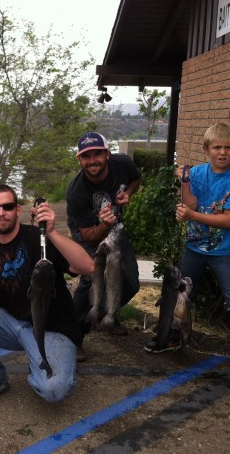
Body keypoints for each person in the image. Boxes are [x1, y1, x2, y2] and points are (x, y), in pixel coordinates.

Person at [147, 122, 230, 393]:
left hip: (225, 253)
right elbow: (189, 203)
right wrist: (185, 182)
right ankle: (173, 337)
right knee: (180, 296)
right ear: (207, 149)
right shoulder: (197, 173)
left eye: (228, 147)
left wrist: (190, 216)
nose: (223, 152)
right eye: (217, 147)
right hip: (194, 248)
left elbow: (228, 220)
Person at [0, 184, 94, 407]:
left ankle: (50, 362)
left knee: (53, 390)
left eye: (7, 206)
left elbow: (87, 267)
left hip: (52, 328)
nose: (1, 212)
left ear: (18, 209)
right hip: (13, 324)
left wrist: (52, 231)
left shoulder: (40, 237)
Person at [66, 132, 142, 360]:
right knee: (92, 277)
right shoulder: (76, 192)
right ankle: (74, 336)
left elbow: (135, 180)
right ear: (79, 159)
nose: (92, 161)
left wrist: (127, 193)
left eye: (97, 154)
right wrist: (103, 224)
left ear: (107, 154)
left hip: (116, 228)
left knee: (131, 283)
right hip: (89, 230)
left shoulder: (123, 164)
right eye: (86, 156)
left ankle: (108, 313)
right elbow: (89, 237)